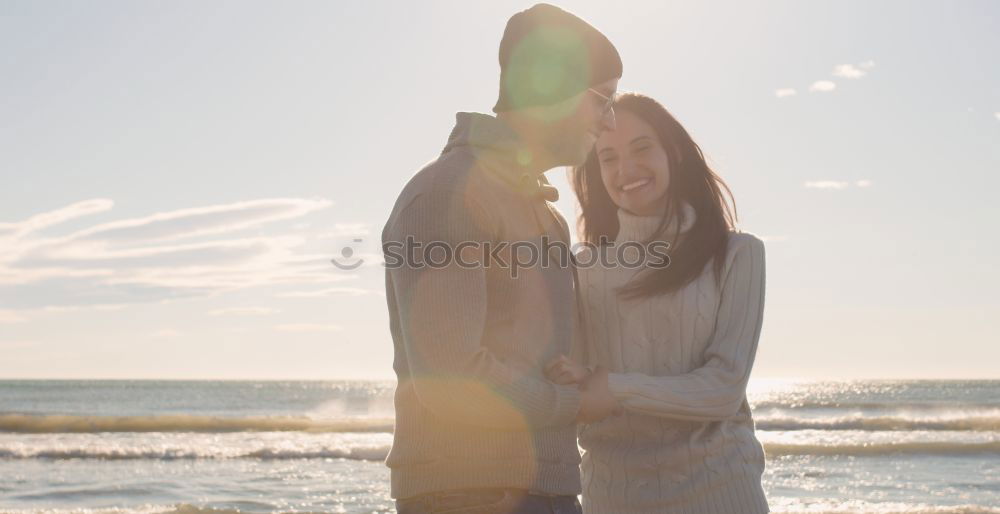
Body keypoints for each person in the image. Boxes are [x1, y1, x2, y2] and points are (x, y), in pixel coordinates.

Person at [381, 4, 623, 513]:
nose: (611, 120)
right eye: (604, 100)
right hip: (476, 495)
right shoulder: (449, 194)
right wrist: (576, 404)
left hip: (540, 492)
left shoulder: (540, 211)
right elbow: (451, 379)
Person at [547, 93, 770, 513]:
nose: (626, 168)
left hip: (722, 492)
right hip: (614, 497)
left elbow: (723, 388)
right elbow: (573, 386)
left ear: (675, 154)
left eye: (642, 148)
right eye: (607, 157)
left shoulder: (738, 255)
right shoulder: (580, 266)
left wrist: (615, 386)